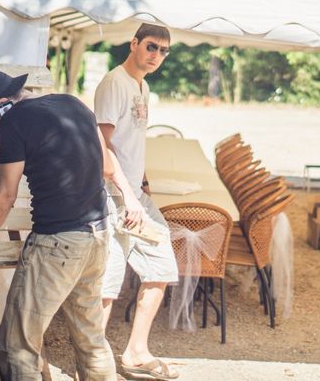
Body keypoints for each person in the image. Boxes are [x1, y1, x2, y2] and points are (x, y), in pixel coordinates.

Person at [0, 69, 143, 381]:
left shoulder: (13, 121)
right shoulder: (74, 104)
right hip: (98, 234)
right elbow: (106, 165)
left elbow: (6, 194)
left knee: (17, 346)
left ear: (2, 105)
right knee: (91, 340)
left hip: (58, 243)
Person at [94, 23, 179, 380]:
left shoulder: (142, 85)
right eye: (151, 47)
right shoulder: (115, 83)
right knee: (108, 283)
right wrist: (128, 194)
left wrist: (140, 185)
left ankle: (135, 352)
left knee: (161, 266)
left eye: (163, 51)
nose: (156, 55)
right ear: (134, 44)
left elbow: (130, 143)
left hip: (134, 194)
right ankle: (93, 362)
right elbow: (102, 146)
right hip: (114, 195)